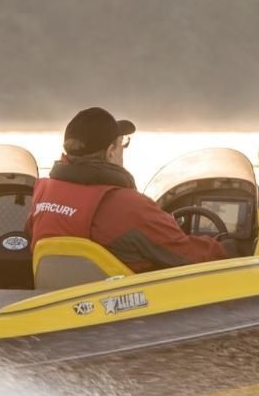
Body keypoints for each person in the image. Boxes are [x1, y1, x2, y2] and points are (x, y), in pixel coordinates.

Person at [27, 106, 231, 272]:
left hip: (58, 304)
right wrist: (231, 249)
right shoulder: (129, 207)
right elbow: (187, 256)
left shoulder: (43, 191)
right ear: (110, 151)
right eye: (121, 144)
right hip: (121, 311)